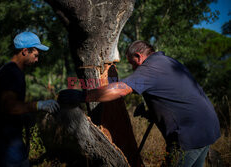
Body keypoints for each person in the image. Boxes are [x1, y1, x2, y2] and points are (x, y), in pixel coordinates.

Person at [59, 40, 221, 167]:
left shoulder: (151, 68)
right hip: (207, 128)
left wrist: (84, 96)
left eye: (132, 63)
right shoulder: (168, 62)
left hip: (189, 136)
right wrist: (152, 111)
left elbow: (122, 89)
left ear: (138, 56)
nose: (133, 67)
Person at [0, 32, 60, 167]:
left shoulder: (8, 70)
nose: (37, 60)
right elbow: (9, 106)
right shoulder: (12, 73)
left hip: (0, 139)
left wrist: (24, 116)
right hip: (6, 143)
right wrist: (39, 105)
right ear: (25, 51)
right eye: (35, 55)